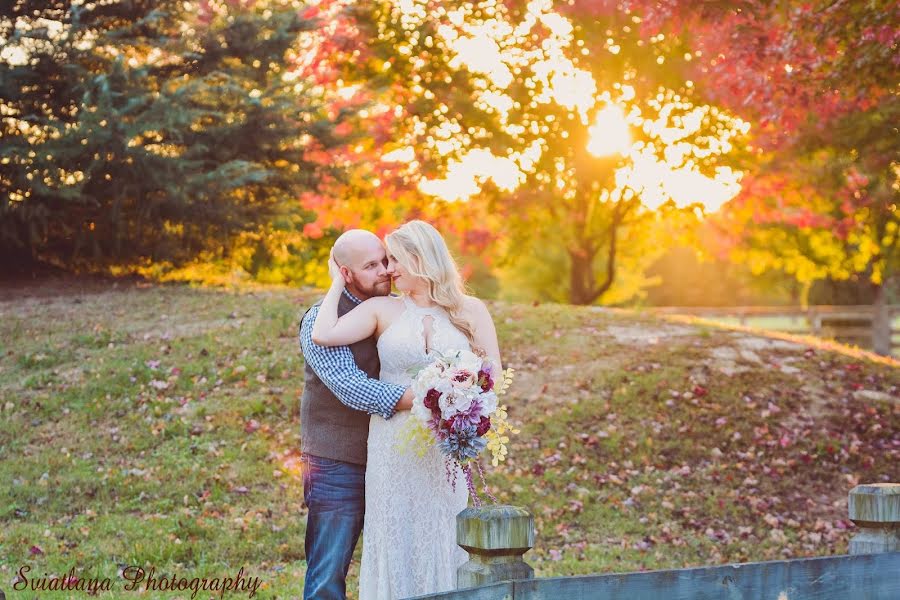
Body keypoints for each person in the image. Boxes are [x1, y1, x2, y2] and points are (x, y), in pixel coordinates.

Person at [311, 220, 502, 599]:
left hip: (443, 447)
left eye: (394, 259)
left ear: (419, 259)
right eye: (384, 261)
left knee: (444, 534)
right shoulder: (383, 309)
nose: (389, 269)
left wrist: (462, 399)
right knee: (395, 535)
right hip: (392, 445)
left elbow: (491, 373)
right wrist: (336, 282)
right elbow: (323, 334)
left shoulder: (471, 310)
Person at [297, 229, 416, 599]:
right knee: (328, 575)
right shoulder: (321, 320)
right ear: (346, 274)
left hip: (393, 457)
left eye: (385, 260)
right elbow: (351, 387)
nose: (385, 270)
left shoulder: (399, 308)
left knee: (395, 566)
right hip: (336, 463)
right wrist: (429, 397)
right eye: (371, 265)